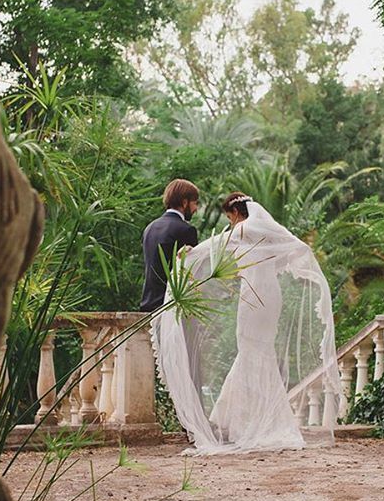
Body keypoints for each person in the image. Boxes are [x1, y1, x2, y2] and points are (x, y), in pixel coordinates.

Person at [152, 192, 341, 454]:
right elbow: (293, 249)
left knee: (252, 350)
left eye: (229, 218)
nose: (230, 223)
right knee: (258, 352)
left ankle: (250, 421)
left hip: (255, 296)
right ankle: (250, 420)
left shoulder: (245, 228)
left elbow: (216, 246)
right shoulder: (263, 229)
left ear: (236, 213)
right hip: (267, 292)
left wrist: (191, 254)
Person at [140, 179, 199, 313]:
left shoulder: (150, 228)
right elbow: (192, 273)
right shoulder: (186, 230)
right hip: (172, 306)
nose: (196, 209)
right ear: (185, 202)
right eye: (195, 203)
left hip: (148, 303)